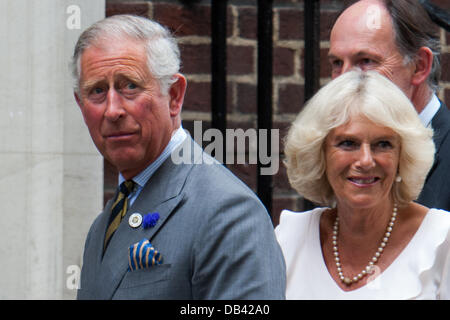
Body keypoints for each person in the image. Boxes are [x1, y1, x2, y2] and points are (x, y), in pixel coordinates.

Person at [72, 14, 286, 299]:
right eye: (97, 91)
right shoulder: (104, 224)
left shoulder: (228, 213)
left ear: (174, 95)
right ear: (80, 104)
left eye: (130, 86)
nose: (112, 110)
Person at [276, 70, 450, 299]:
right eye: (348, 143)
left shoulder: (441, 239)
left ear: (403, 156)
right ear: (319, 154)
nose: (366, 160)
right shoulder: (290, 237)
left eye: (383, 144)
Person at [328, 0, 450, 211]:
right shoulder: (332, 152)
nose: (344, 79)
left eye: (365, 61)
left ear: (419, 66)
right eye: (337, 64)